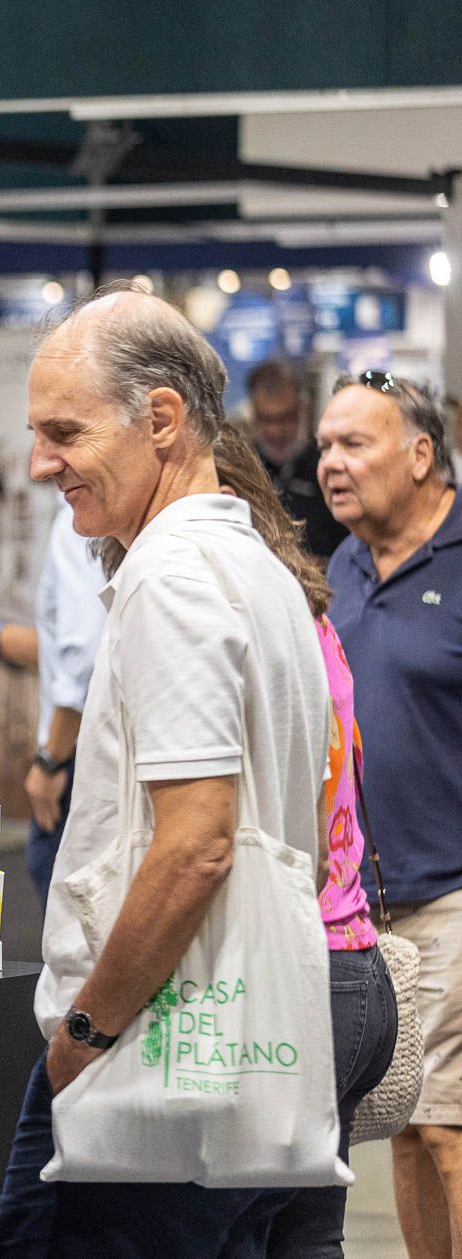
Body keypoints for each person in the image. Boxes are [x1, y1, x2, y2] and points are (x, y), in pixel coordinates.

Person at [0, 286, 333, 1255]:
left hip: (158, 1055)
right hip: (241, 1058)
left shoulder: (173, 579)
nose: (38, 463)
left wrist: (85, 1035)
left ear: (162, 418)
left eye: (64, 430)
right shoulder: (258, 570)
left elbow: (198, 844)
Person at [211, 428, 397, 1257]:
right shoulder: (310, 609)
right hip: (348, 962)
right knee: (306, 1235)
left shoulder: (241, 615)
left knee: (239, 1231)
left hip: (296, 971)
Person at [317, 370, 462, 1259]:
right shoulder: (340, 565)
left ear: (419, 455)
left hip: (454, 891)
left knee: (449, 1123)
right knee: (408, 1122)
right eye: (328, 445)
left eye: (354, 444)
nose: (333, 463)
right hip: (368, 901)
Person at [0, 494, 106, 909]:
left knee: (72, 924)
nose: (41, 462)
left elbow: (82, 657)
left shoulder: (78, 521)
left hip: (75, 758)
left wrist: (51, 760)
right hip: (91, 751)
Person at [247, 359, 346, 561]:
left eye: (285, 418)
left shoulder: (329, 467)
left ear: (304, 410)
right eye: (266, 419)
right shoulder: (242, 470)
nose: (276, 431)